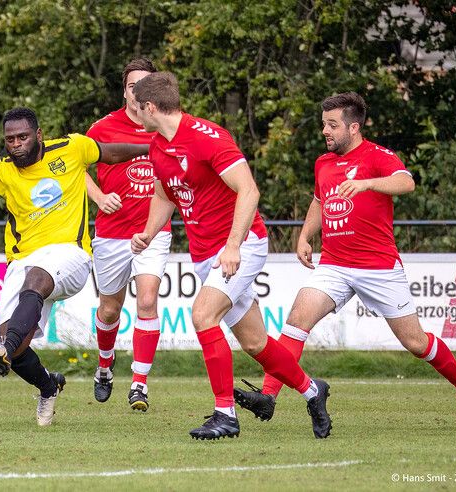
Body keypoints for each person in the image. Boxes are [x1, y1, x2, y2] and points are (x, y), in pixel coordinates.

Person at [234, 92, 456, 425]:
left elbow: (407, 182)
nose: (325, 131)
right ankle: (268, 397)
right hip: (335, 265)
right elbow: (318, 201)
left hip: (378, 267)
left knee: (415, 342)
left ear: (353, 127)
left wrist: (367, 183)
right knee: (298, 320)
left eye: (332, 125)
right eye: (323, 124)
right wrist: (303, 236)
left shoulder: (377, 156)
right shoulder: (323, 163)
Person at [130, 72, 332, 440]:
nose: (134, 115)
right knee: (255, 342)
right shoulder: (158, 146)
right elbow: (163, 196)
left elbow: (249, 190)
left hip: (242, 245)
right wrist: (147, 232)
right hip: (206, 253)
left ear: (150, 107)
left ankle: (225, 414)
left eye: (135, 108)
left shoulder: (208, 138)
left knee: (203, 316)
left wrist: (234, 245)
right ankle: (313, 392)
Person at [0, 107, 148, 426]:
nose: (16, 144)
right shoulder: (3, 171)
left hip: (71, 255)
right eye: (10, 139)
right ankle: (48, 386)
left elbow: (109, 153)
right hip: (22, 261)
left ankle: (4, 349)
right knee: (17, 343)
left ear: (39, 135)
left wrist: (153, 146)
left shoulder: (71, 148)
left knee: (25, 305)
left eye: (23, 137)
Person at [85, 58, 171, 412]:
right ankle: (105, 365)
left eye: (146, 85)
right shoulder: (103, 128)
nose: (139, 92)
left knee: (148, 300)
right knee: (109, 308)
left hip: (153, 232)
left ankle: (139, 384)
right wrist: (100, 197)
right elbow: (76, 170)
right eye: (133, 85)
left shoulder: (165, 127)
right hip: (111, 234)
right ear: (125, 90)